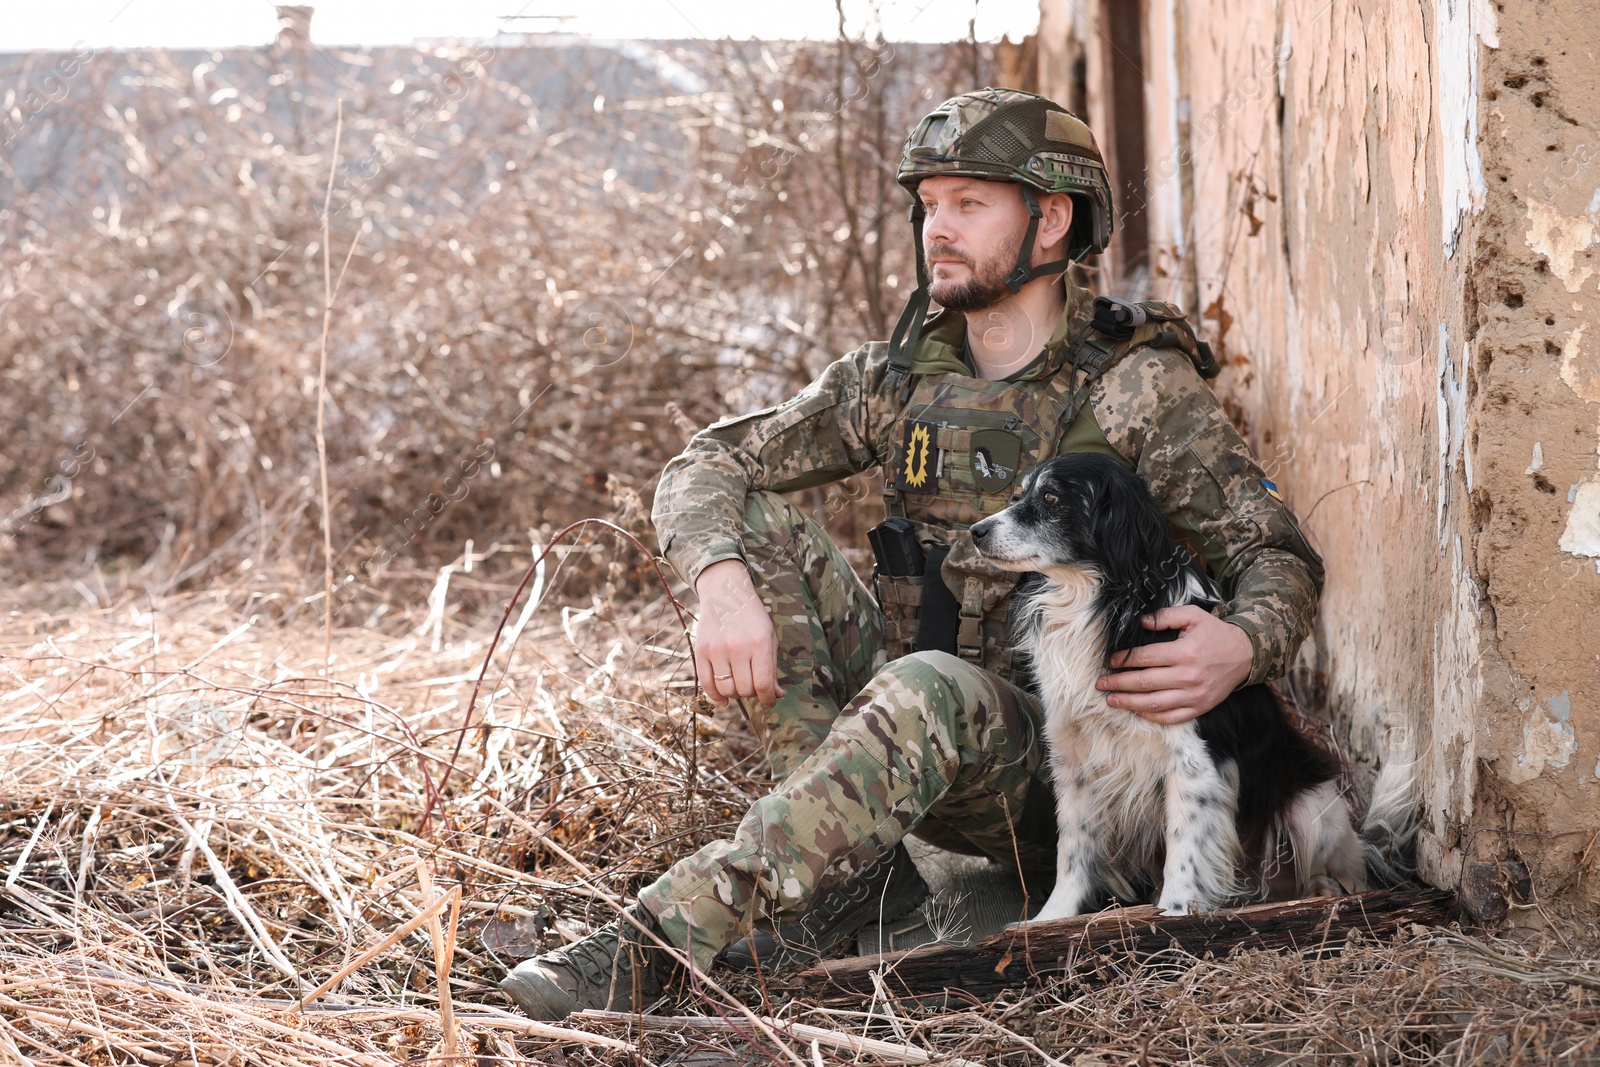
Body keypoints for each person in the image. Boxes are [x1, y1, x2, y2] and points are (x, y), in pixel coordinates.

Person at [501, 87, 1323, 1021]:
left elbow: (1275, 552)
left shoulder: (1134, 386)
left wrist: (1241, 644)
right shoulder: (895, 378)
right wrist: (721, 586)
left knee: (931, 683)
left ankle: (655, 941)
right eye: (929, 204)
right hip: (911, 730)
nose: (939, 227)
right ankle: (857, 873)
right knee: (758, 523)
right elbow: (712, 460)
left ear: (1052, 219)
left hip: (1061, 774)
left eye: (971, 203)